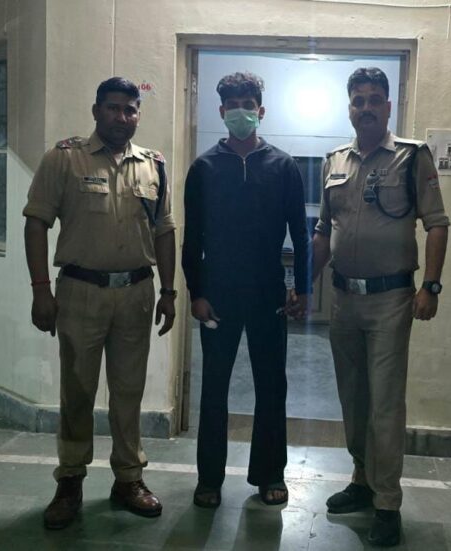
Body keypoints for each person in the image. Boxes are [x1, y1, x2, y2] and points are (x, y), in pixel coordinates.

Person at [23, 77, 176, 529]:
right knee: (77, 390)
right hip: (80, 292)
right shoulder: (64, 158)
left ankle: (128, 478)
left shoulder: (153, 165)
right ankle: (70, 479)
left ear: (137, 115)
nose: (121, 117)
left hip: (136, 293)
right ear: (96, 111)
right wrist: (40, 289)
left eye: (130, 109)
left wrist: (169, 291)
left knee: (129, 391)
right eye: (113, 108)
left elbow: (165, 230)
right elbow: (36, 223)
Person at [312, 67, 449, 547]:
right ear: (349, 107)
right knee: (353, 398)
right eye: (358, 100)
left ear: (388, 107)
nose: (366, 107)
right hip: (343, 300)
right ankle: (362, 479)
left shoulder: (412, 157)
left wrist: (430, 286)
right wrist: (303, 284)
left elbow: (437, 223)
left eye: (374, 99)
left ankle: (387, 503)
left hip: (392, 299)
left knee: (386, 404)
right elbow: (323, 231)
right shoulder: (334, 161)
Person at [182, 71, 310, 509]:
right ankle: (209, 479)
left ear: (261, 110)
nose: (241, 112)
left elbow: (301, 233)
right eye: (233, 105)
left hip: (268, 293)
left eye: (248, 105)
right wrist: (196, 293)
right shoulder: (203, 168)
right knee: (214, 388)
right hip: (217, 294)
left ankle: (270, 474)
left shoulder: (283, 166)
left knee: (271, 385)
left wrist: (303, 288)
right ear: (221, 111)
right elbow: (191, 239)